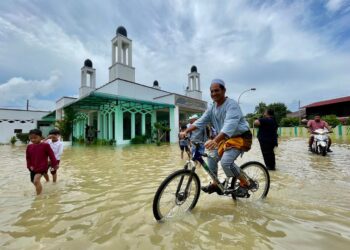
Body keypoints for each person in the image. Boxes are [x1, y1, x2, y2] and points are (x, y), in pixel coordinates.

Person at [180, 79, 253, 194]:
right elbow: (201, 121)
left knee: (226, 163)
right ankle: (215, 183)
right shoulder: (212, 108)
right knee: (211, 155)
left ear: (224, 90)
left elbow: (229, 125)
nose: (214, 94)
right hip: (224, 138)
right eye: (212, 91)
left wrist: (215, 140)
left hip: (240, 137)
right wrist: (186, 131)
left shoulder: (232, 105)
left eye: (217, 90)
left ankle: (245, 183)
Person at [26, 129, 58, 195]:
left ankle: (38, 197)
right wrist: (29, 166)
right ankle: (40, 189)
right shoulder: (29, 147)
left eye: (35, 138)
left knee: (36, 181)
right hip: (33, 167)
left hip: (42, 166)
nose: (33, 140)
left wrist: (55, 165)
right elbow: (28, 158)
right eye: (31, 138)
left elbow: (51, 155)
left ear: (40, 137)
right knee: (33, 181)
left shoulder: (45, 145)